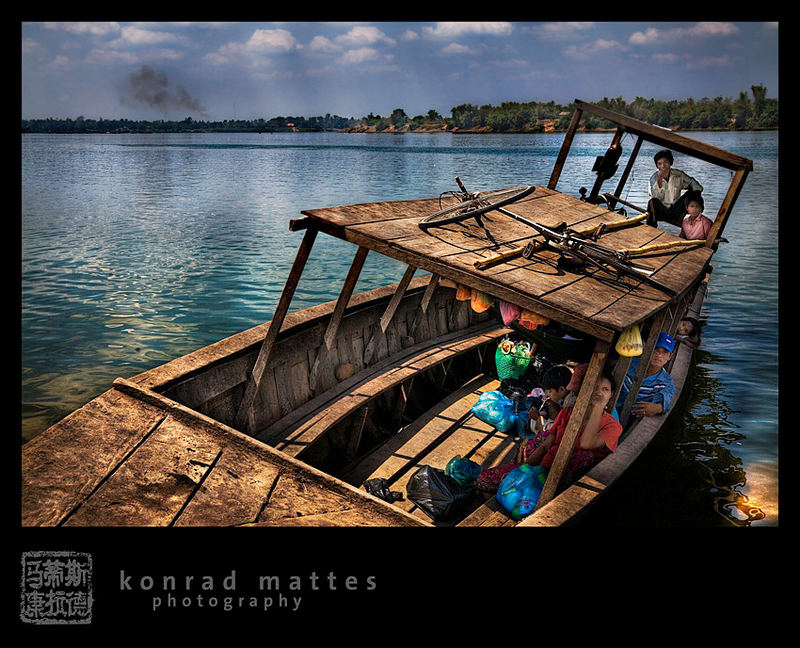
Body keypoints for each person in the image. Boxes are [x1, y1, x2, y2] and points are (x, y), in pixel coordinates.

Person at [477, 370, 622, 492]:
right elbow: (546, 445)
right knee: (483, 479)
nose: (598, 393)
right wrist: (524, 470)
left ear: (611, 395)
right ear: (584, 391)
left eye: (605, 390)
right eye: (594, 388)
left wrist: (598, 407)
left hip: (565, 488)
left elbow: (585, 443)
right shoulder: (567, 413)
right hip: (542, 471)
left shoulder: (612, 426)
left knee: (585, 456)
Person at [615, 332, 676, 418]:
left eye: (665, 352)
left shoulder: (666, 383)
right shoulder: (629, 363)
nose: (659, 355)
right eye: (656, 349)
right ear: (648, 349)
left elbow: (665, 403)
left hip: (632, 416)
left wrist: (657, 408)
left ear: (670, 356)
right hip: (613, 406)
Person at [647, 150, 703, 227]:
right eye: (659, 164)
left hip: (676, 211)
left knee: (693, 193)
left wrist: (693, 196)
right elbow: (655, 198)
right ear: (657, 166)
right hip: (661, 212)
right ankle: (651, 228)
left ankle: (693, 221)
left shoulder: (679, 174)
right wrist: (659, 182)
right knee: (652, 202)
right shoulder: (653, 178)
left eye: (665, 162)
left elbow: (697, 186)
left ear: (670, 162)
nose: (663, 166)